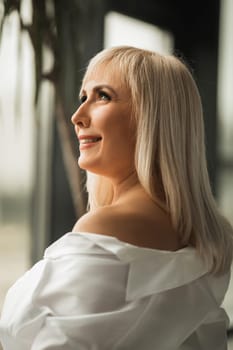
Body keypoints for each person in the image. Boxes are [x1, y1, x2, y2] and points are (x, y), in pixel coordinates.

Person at [0, 46, 232, 349]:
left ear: (151, 117)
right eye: (84, 98)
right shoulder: (205, 235)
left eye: (103, 96)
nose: (77, 116)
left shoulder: (107, 225)